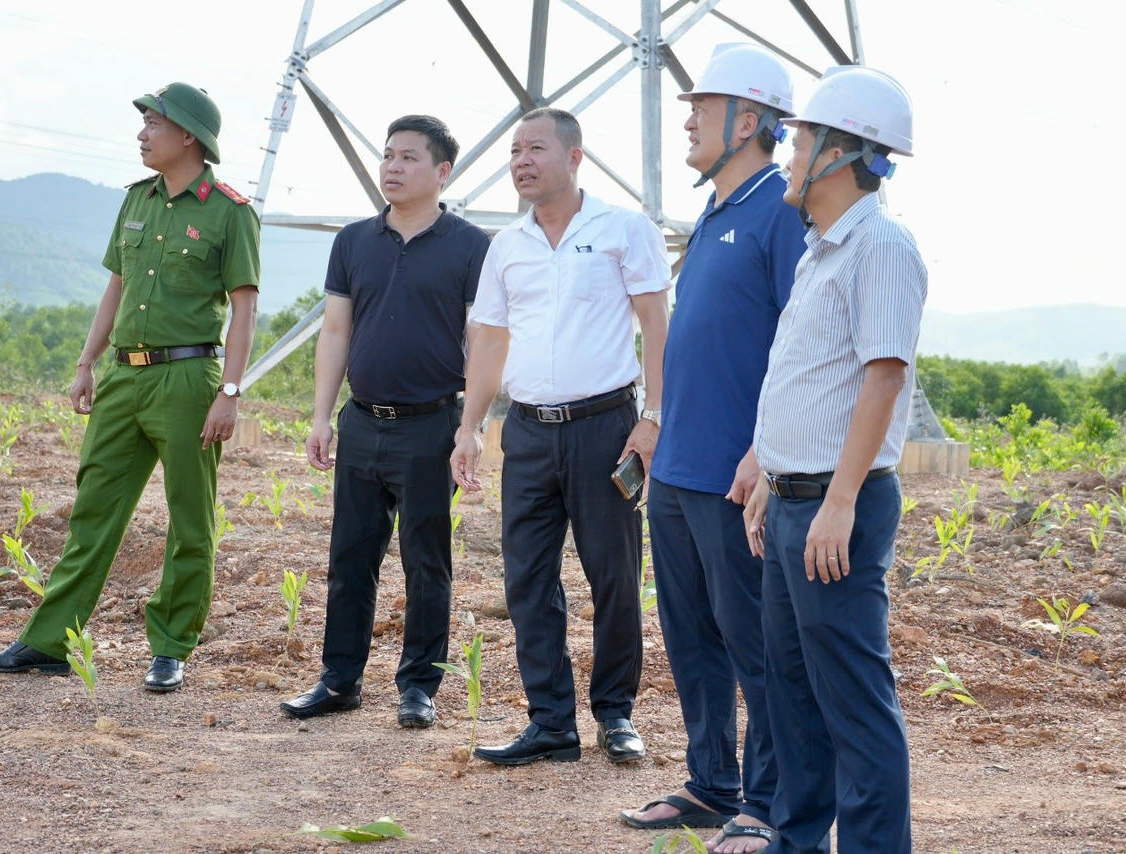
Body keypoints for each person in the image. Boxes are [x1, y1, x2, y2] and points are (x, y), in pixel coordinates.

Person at [0, 82, 260, 693]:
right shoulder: (136, 201)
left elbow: (244, 309)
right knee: (93, 510)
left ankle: (171, 647)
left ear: (189, 136)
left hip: (188, 378)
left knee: (189, 519)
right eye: (144, 122)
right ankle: (49, 641)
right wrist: (87, 363)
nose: (142, 133)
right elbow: (116, 288)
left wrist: (230, 393)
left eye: (154, 123)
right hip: (123, 377)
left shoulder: (230, 212)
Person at [617, 44, 805, 854]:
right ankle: (710, 783)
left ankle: (768, 802)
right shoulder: (716, 213)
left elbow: (803, 341)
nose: (688, 118)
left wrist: (764, 448)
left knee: (753, 644)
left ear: (752, 120)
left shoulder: (781, 210)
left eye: (705, 105)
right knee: (691, 638)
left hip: (736, 474)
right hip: (678, 466)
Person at [450, 107, 670, 766]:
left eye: (536, 148)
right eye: (515, 150)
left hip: (606, 428)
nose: (521, 160)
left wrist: (654, 415)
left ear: (574, 157)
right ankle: (549, 721)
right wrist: (469, 427)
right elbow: (490, 338)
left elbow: (656, 324)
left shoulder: (623, 229)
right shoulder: (506, 245)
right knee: (527, 578)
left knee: (614, 575)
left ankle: (616, 713)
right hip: (527, 432)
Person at [742, 66, 925, 853]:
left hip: (836, 508)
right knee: (793, 693)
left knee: (852, 698)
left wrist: (839, 501)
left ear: (840, 154)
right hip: (796, 501)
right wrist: (772, 475)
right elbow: (811, 378)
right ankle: (798, 840)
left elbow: (884, 377)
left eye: (800, 141)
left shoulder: (880, 247)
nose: (787, 155)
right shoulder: (820, 252)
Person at [279, 115, 490, 727]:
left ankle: (419, 687)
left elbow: (483, 340)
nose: (392, 167)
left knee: (426, 562)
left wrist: (471, 427)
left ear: (442, 171)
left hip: (431, 426)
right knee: (350, 557)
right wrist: (322, 417)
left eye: (408, 158)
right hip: (362, 421)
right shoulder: (353, 241)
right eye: (388, 155)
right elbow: (335, 331)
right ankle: (339, 679)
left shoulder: (471, 246)